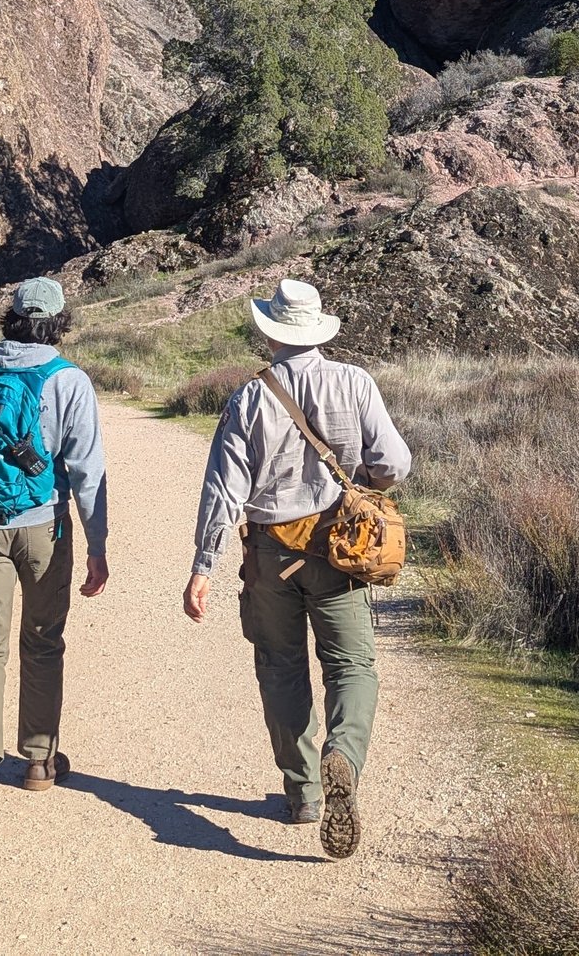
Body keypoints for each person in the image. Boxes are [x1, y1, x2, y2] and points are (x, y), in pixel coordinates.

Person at [183, 276, 412, 861]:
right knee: (352, 665)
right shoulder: (354, 383)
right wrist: (364, 488)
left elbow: (223, 489)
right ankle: (345, 758)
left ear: (271, 333)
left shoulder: (250, 397)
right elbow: (395, 462)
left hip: (270, 554)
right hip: (341, 548)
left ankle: (305, 790)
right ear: (316, 330)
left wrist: (203, 565)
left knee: (280, 668)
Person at [0, 276, 108, 829]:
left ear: (10, 317)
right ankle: (39, 760)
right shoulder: (68, 380)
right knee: (43, 641)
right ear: (58, 322)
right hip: (44, 529)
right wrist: (98, 545)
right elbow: (87, 471)